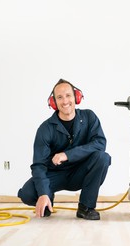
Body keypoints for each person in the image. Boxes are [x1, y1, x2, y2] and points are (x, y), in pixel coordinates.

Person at [17, 79, 111, 220]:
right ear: (54, 102)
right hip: (54, 175)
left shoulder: (89, 117)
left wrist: (67, 155)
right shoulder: (45, 129)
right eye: (59, 97)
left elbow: (99, 143)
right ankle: (48, 201)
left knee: (102, 157)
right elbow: (39, 165)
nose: (65, 101)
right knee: (27, 194)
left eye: (68, 95)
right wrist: (43, 193)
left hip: (81, 172)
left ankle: (86, 207)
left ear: (76, 97)